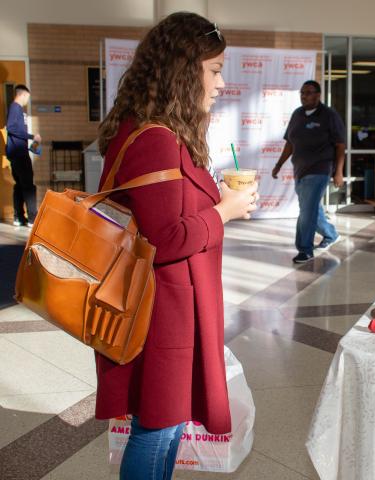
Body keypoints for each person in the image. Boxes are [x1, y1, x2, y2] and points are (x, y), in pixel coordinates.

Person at [95, 13, 257, 480]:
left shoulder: (155, 130)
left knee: (165, 427)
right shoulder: (157, 139)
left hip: (167, 307)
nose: (222, 82)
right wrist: (224, 211)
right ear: (183, 71)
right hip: (162, 312)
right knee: (159, 428)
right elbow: (166, 239)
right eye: (214, 69)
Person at [272, 80, 345, 263]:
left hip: (320, 169)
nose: (304, 96)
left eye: (309, 92)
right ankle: (331, 234)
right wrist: (279, 164)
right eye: (302, 93)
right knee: (311, 209)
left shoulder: (328, 115)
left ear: (318, 95)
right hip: (300, 170)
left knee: (307, 210)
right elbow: (290, 142)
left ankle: (305, 249)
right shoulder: (297, 114)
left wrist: (339, 172)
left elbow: (340, 145)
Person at [6, 84, 41, 227]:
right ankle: (33, 218)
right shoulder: (16, 108)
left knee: (20, 186)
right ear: (22, 95)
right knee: (28, 186)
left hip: (16, 153)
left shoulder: (15, 109)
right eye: (27, 97)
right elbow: (12, 127)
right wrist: (32, 136)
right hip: (19, 154)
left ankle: (18, 217)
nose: (27, 101)